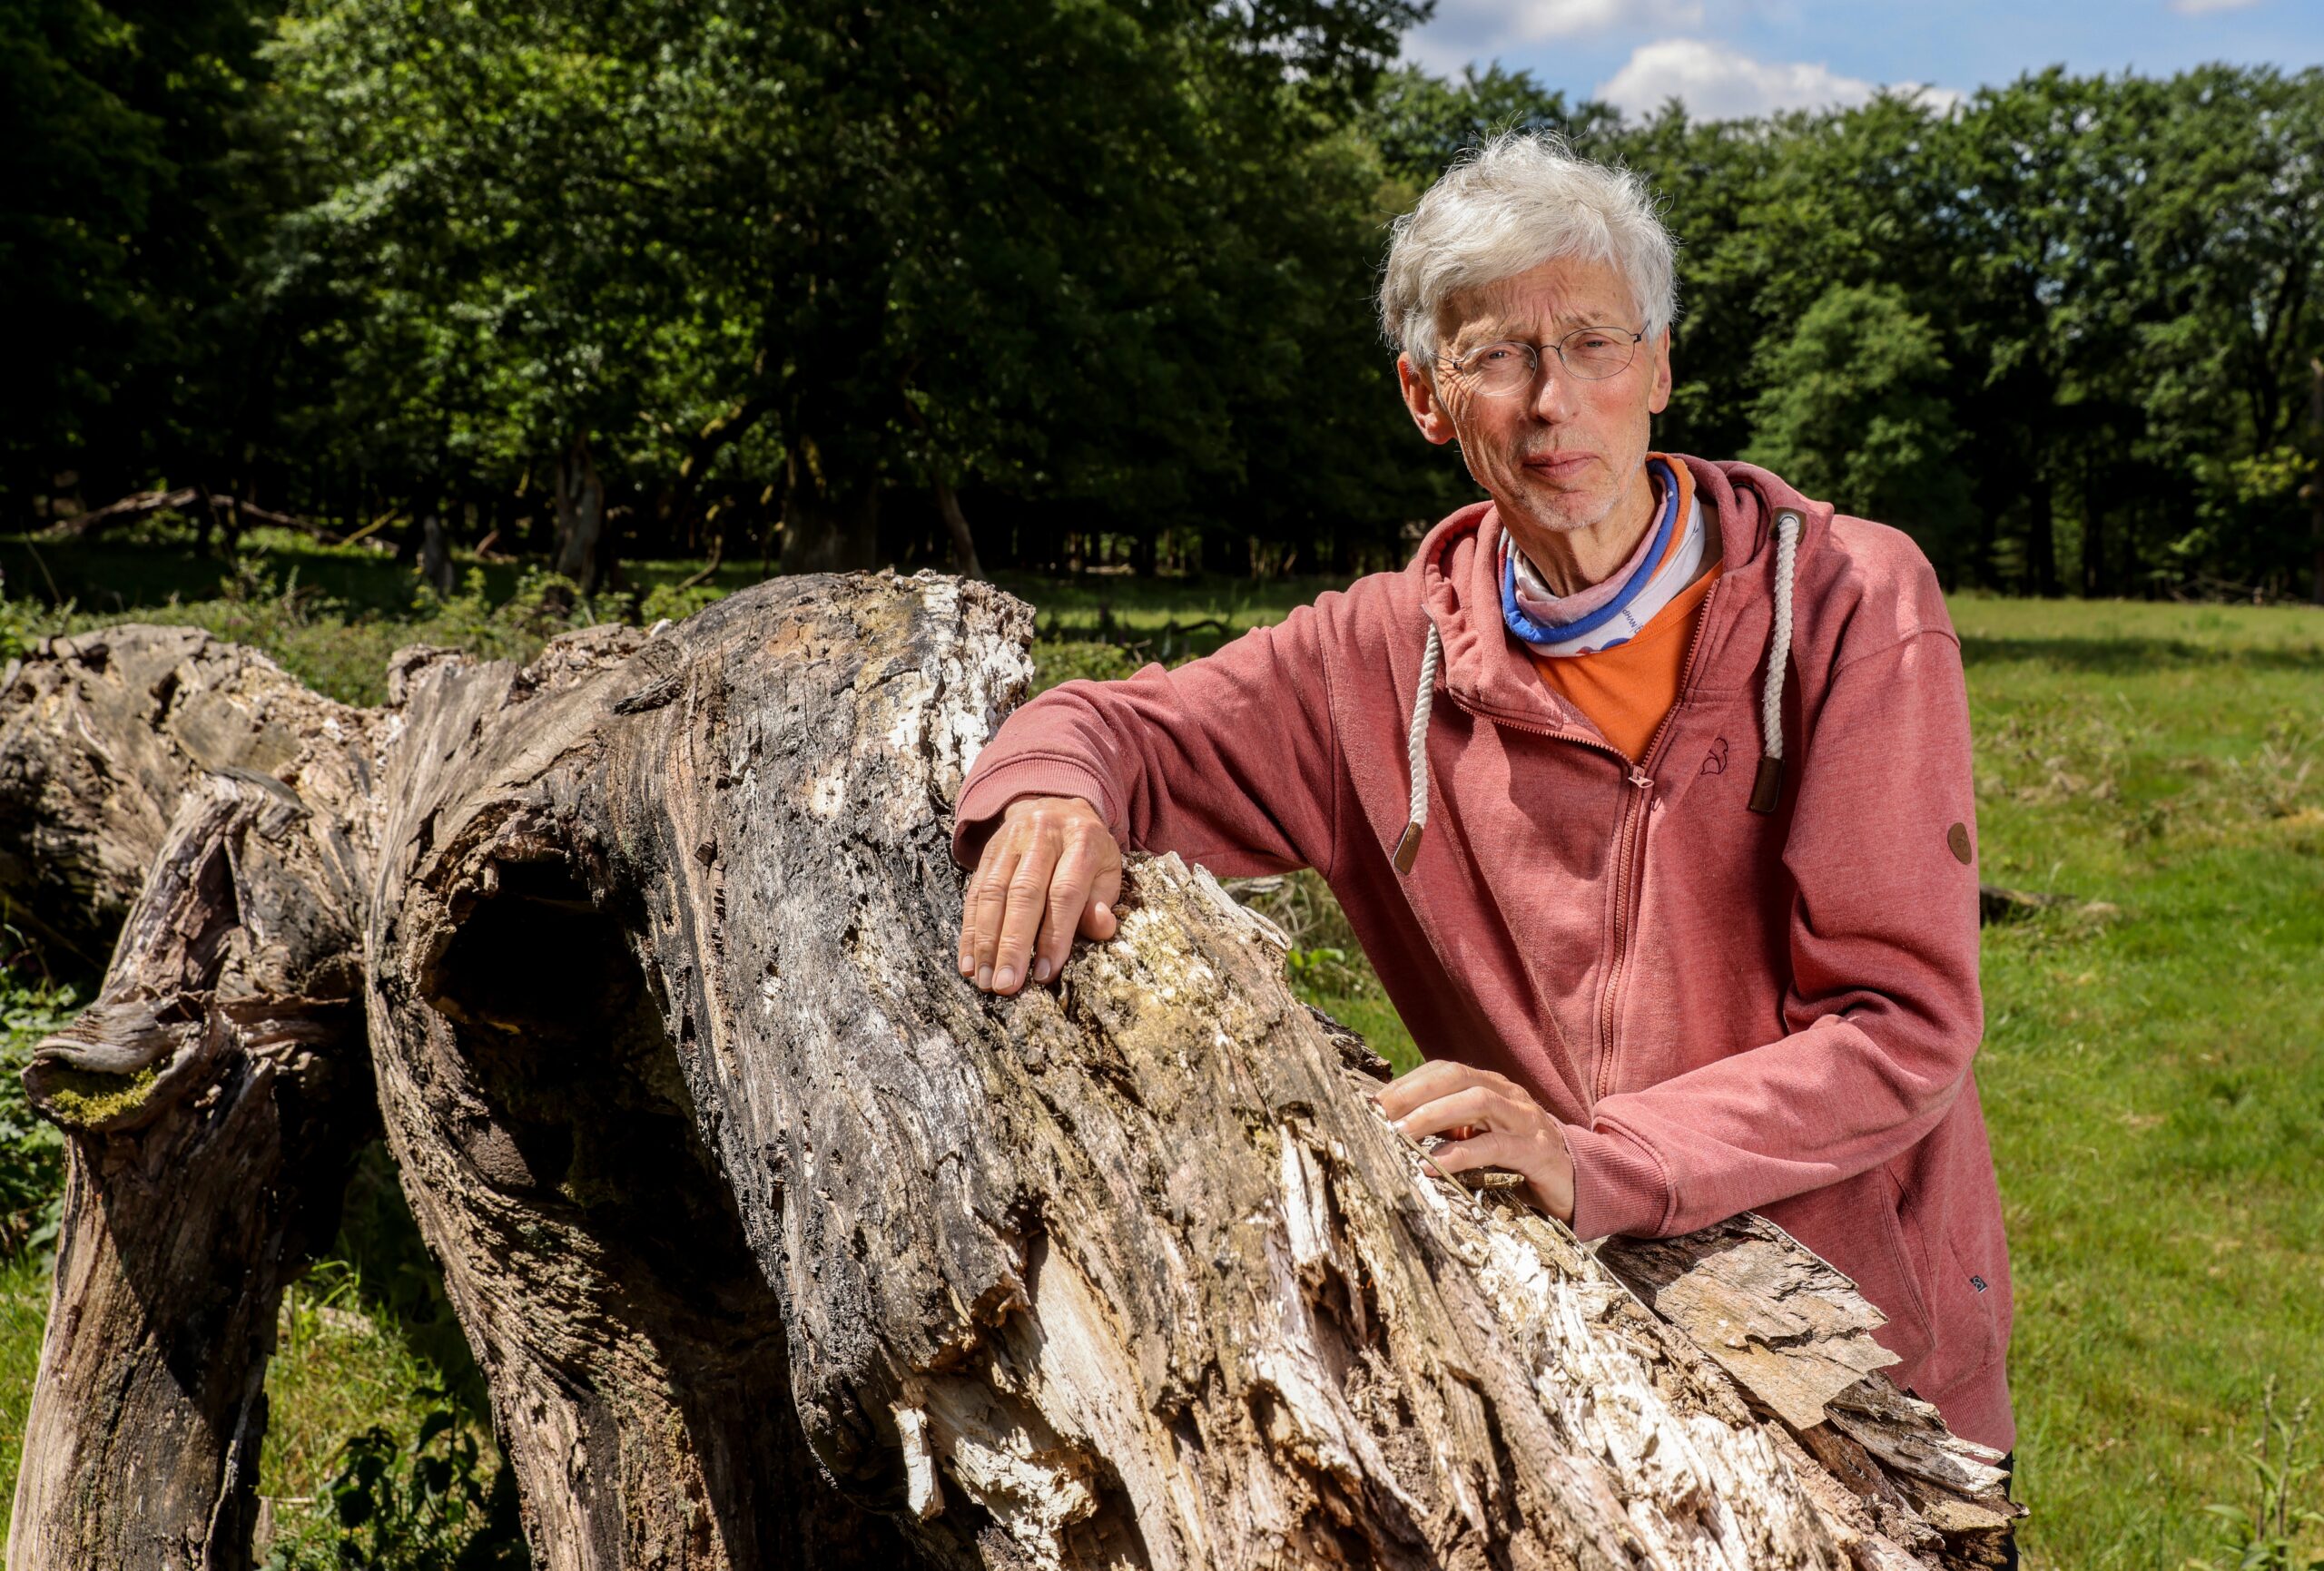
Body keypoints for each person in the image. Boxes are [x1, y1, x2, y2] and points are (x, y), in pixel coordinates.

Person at [950, 133, 2014, 1462]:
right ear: (1427, 397)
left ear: (1663, 368)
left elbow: (1902, 1025)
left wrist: (1599, 1159)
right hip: (1574, 1346)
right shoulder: (1375, 660)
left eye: (1595, 346)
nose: (1554, 402)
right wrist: (1051, 793)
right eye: (1500, 356)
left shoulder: (1850, 600)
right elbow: (1114, 725)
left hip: (1865, 1373)